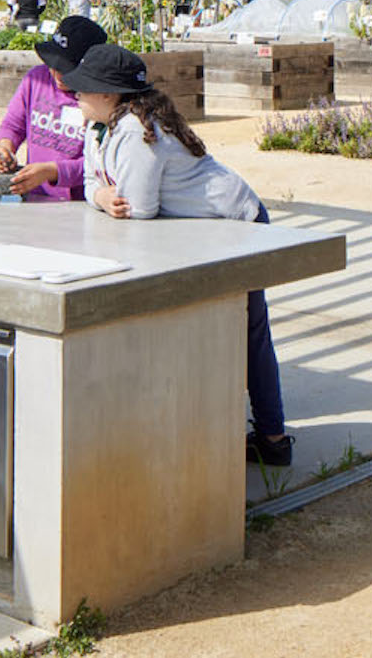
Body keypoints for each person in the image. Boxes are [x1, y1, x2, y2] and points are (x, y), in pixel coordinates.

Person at [63, 41, 290, 467]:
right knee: (234, 331)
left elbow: (139, 207)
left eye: (83, 88)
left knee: (249, 331)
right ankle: (253, 432)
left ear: (109, 94)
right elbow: (100, 183)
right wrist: (99, 195)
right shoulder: (107, 125)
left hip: (237, 223)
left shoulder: (134, 129)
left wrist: (104, 196)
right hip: (213, 231)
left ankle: (273, 436)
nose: (75, 94)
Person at [0, 14, 106, 202]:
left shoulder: (99, 100)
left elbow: (99, 162)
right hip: (34, 194)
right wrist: (4, 148)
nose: (56, 73)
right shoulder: (36, 79)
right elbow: (13, 125)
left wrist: (52, 171)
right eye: (52, 64)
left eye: (67, 69)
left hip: (79, 202)